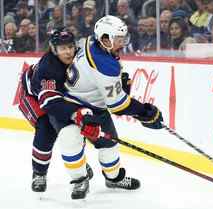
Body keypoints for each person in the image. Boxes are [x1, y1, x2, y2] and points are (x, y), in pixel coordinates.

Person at [52, 15, 164, 199]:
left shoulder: (91, 42)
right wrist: (144, 112)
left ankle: (113, 178)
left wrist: (116, 84)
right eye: (119, 39)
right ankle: (80, 180)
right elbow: (118, 106)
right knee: (71, 142)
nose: (123, 43)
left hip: (95, 105)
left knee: (109, 144)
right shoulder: (104, 64)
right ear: (105, 38)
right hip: (68, 106)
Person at [18, 27, 93, 193]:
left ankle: (77, 162)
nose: (68, 52)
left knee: (78, 128)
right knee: (46, 127)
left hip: (60, 95)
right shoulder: (48, 66)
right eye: (62, 48)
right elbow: (50, 103)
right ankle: (39, 173)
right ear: (54, 49)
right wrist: (73, 113)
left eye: (70, 47)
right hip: (35, 97)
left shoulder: (81, 58)